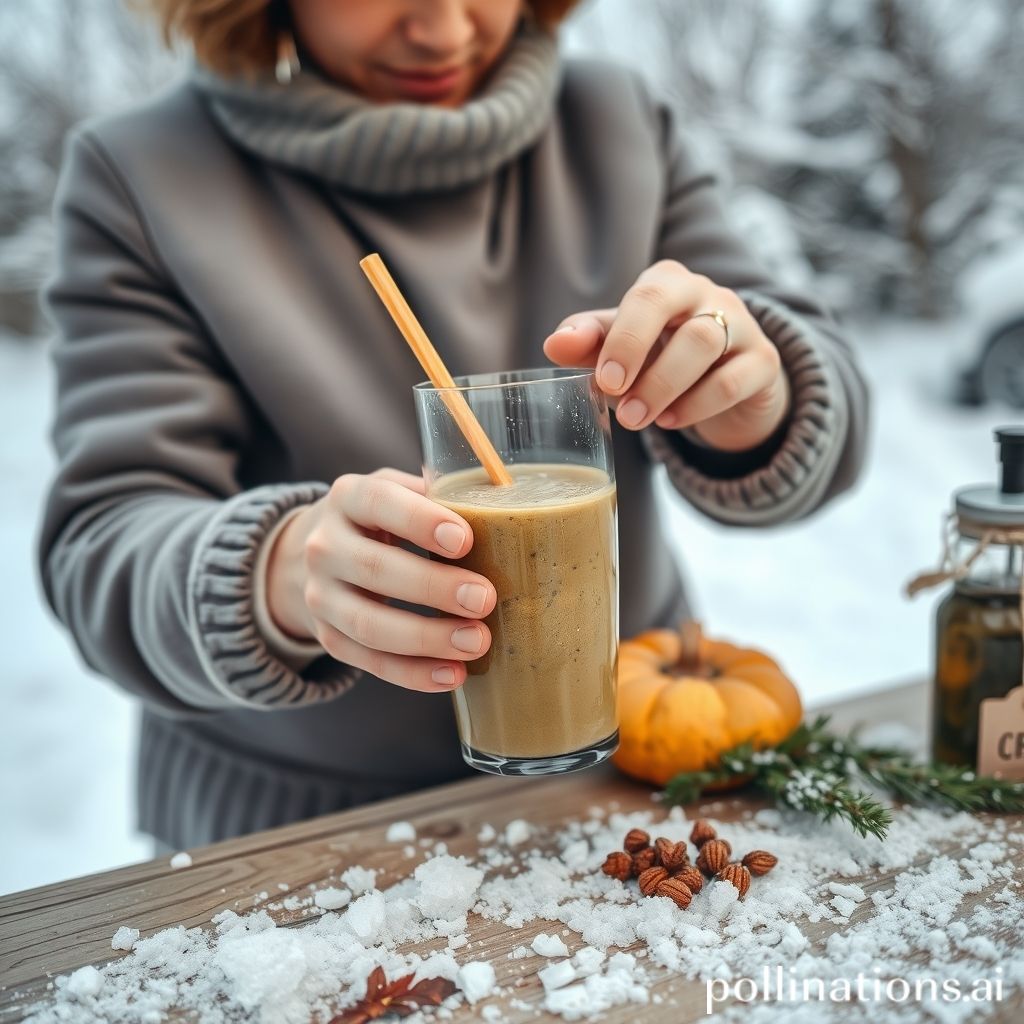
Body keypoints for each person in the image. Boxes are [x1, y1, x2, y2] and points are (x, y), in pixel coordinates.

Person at [38, 0, 868, 852]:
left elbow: (806, 388)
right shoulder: (143, 175)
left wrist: (755, 402)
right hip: (302, 840)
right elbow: (101, 547)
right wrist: (277, 574)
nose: (443, 31)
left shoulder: (617, 121)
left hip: (633, 791)